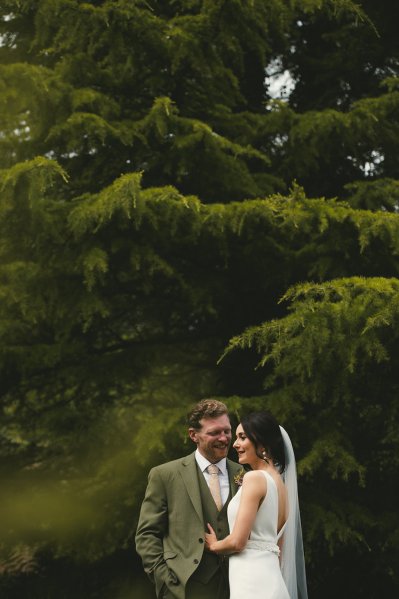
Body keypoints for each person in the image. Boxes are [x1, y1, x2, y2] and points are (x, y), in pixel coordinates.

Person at [135, 399, 243, 599]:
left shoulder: (244, 474)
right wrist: (166, 580)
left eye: (227, 431)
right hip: (185, 586)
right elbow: (147, 535)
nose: (224, 438)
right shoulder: (165, 475)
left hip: (239, 586)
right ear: (194, 435)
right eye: (214, 432)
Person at [205, 411, 308, 599]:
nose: (235, 444)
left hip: (251, 582)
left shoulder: (254, 478)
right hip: (271, 580)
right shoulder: (281, 486)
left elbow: (238, 541)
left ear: (262, 443)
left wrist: (214, 545)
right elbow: (279, 548)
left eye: (242, 437)